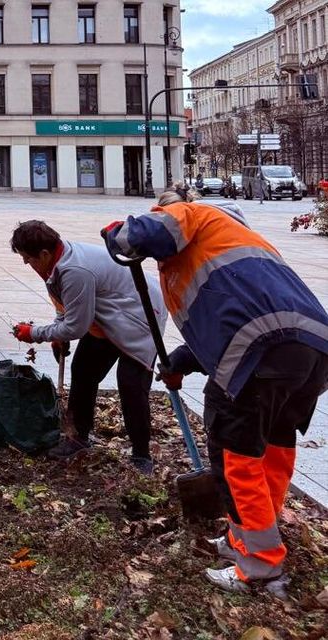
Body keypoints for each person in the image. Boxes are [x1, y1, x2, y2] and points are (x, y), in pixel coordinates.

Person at [104, 197, 328, 595]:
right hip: (310, 347)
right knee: (274, 450)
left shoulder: (194, 214)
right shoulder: (236, 242)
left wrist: (120, 235)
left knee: (235, 457)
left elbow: (150, 229)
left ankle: (260, 567)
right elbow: (232, 316)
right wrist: (180, 360)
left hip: (260, 346)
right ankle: (251, 541)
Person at [10, 221, 166, 473]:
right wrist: (57, 331)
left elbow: (76, 327)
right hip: (111, 313)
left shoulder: (74, 270)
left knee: (131, 384)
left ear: (45, 254)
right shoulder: (59, 261)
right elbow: (68, 307)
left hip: (141, 313)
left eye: (28, 258)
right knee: (83, 369)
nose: (26, 264)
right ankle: (78, 437)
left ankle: (142, 456)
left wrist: (36, 334)